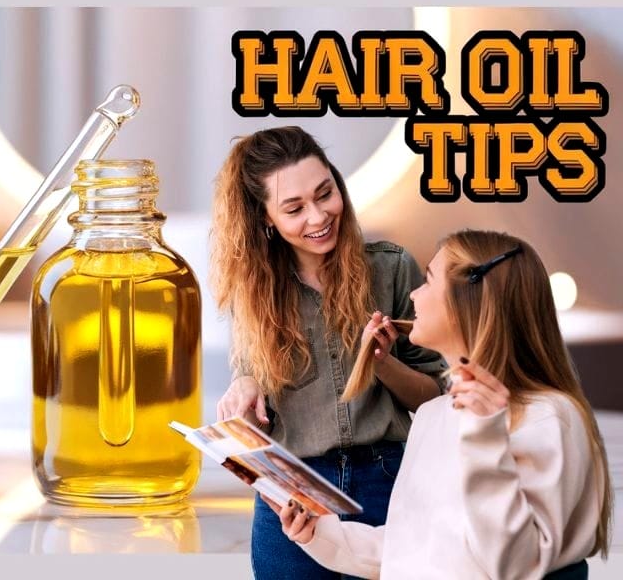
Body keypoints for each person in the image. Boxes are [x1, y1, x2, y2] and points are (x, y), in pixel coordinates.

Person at [270, 230, 613, 580]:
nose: (414, 295)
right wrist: (318, 531)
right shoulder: (434, 414)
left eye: (428, 281)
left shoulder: (548, 417)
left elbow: (517, 565)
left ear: (469, 302)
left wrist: (485, 439)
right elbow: (410, 550)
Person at [210, 126, 446, 579]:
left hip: (388, 482)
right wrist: (243, 387)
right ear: (266, 220)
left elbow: (433, 397)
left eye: (325, 194)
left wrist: (381, 363)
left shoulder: (392, 268)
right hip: (292, 495)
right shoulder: (252, 293)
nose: (318, 216)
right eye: (294, 209)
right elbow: (249, 377)